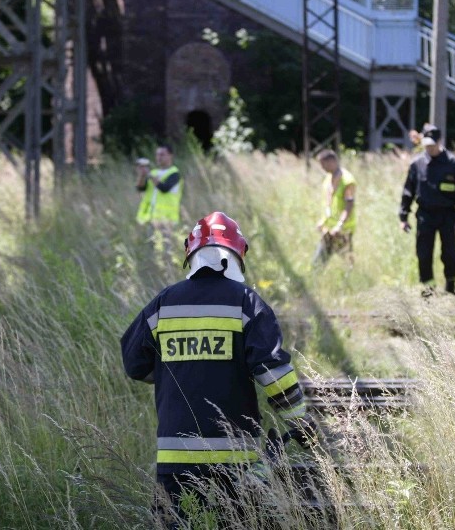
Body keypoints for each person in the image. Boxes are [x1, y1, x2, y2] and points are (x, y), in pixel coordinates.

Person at [120, 212, 316, 528]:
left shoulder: (164, 303)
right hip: (235, 461)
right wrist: (301, 422)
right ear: (238, 255)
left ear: (191, 255)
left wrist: (179, 371)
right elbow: (273, 372)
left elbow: (134, 363)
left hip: (175, 459)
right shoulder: (246, 303)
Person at [398, 127, 455, 295]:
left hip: (448, 215)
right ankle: (427, 290)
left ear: (439, 142)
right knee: (423, 255)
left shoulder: (452, 162)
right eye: (426, 145)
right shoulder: (417, 163)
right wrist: (403, 217)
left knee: (450, 255)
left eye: (432, 145)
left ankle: (451, 288)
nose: (429, 148)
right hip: (425, 215)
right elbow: (408, 191)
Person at [313, 149, 356, 265]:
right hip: (329, 229)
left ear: (331, 162)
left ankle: (354, 280)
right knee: (318, 263)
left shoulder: (347, 180)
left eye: (323, 164)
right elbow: (329, 202)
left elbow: (349, 205)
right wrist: (323, 221)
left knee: (347, 263)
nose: (322, 168)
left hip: (342, 230)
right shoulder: (329, 177)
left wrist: (339, 225)